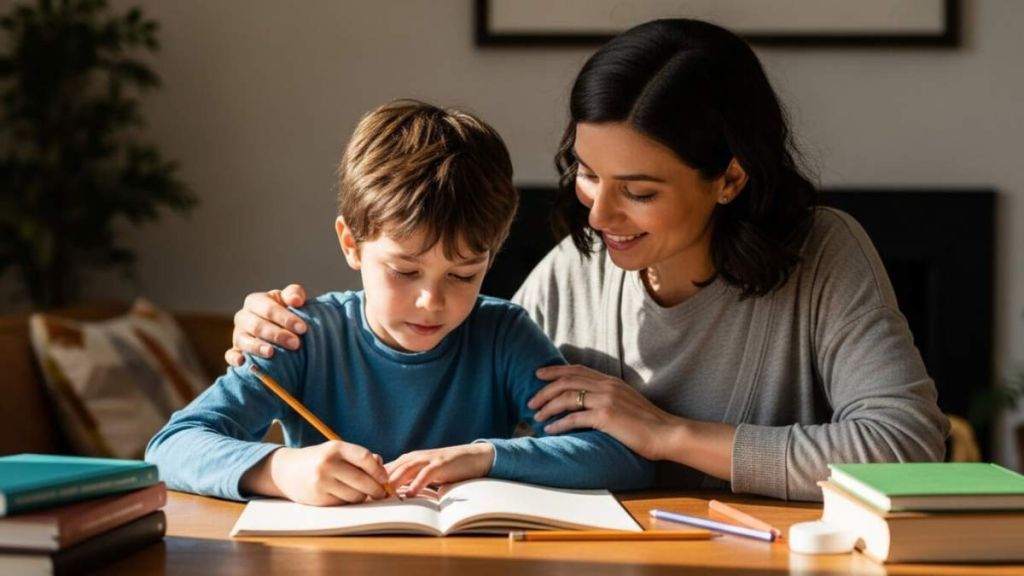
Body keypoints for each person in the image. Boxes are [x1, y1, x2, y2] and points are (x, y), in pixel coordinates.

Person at [224, 20, 949, 501]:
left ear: (730, 179)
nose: (598, 218)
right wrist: (271, 335)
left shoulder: (823, 254)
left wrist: (666, 433)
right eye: (587, 173)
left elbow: (908, 451)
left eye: (637, 191)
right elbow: (470, 373)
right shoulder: (573, 269)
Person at [146, 100, 653, 505]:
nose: (432, 301)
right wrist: (281, 469)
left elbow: (618, 456)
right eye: (404, 271)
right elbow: (171, 446)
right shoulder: (301, 335)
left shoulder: (504, 334)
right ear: (351, 244)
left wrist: (481, 458)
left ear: (492, 256)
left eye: (464, 274)